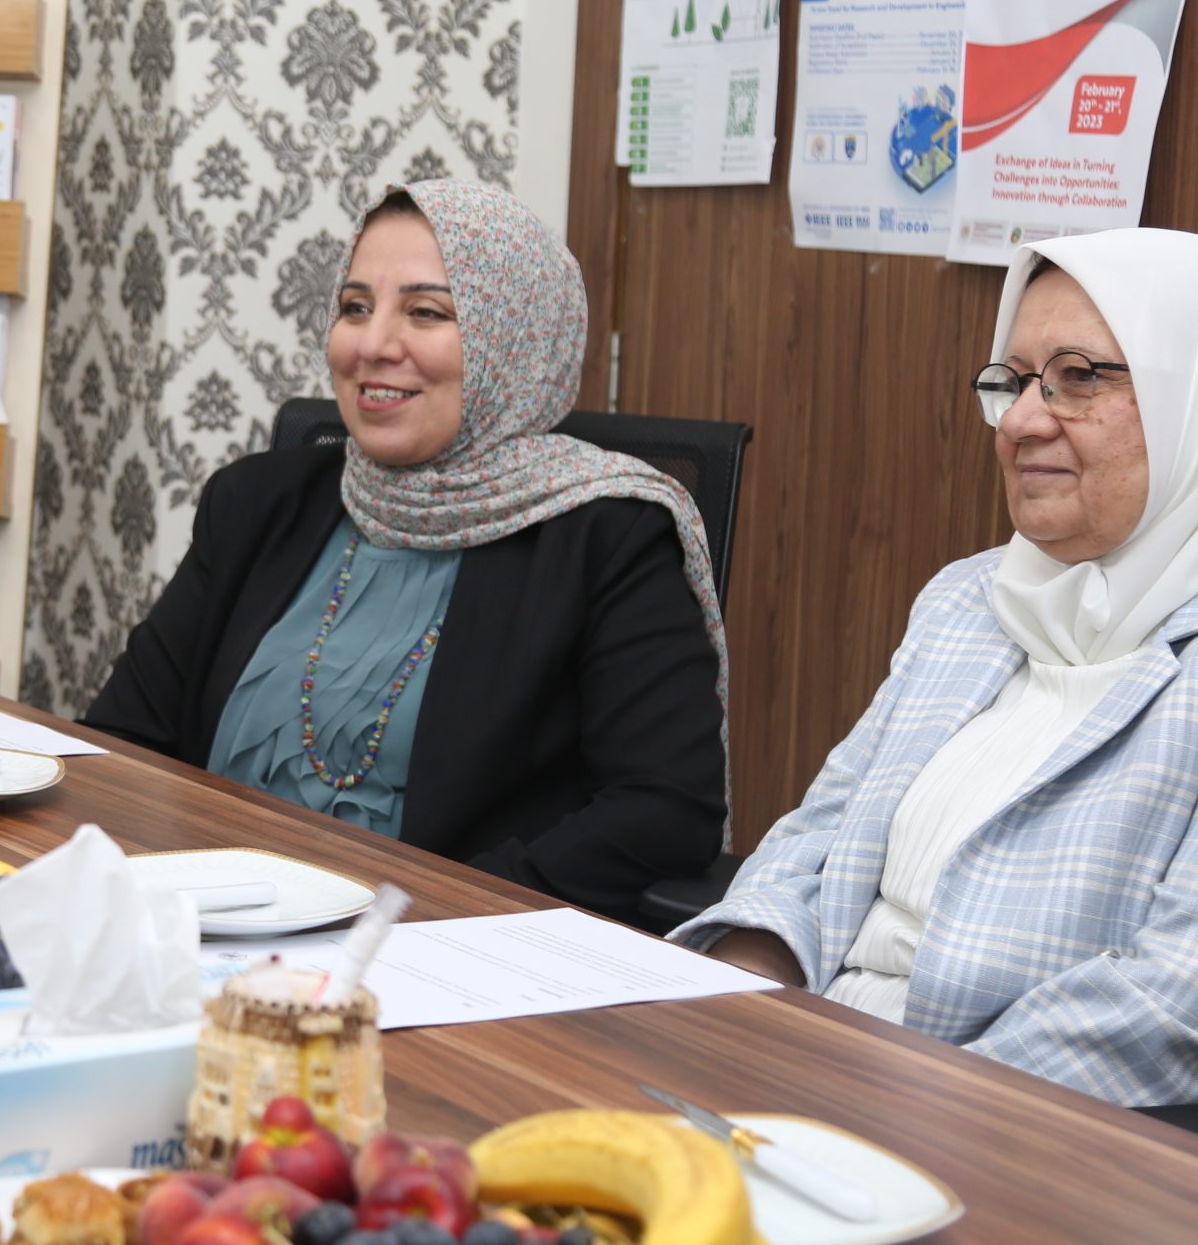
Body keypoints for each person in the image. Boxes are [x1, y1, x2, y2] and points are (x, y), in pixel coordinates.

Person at [675, 228, 1198, 1106]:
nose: (1021, 422)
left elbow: (1182, 1021)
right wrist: (726, 1015)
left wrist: (851, 1098)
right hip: (816, 1070)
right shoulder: (972, 598)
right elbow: (815, 842)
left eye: (1078, 377)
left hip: (1052, 1139)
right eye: (1013, 381)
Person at [84, 180, 730, 921]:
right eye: (355, 306)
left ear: (512, 339)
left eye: (426, 312)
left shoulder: (608, 535)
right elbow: (120, 739)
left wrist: (433, 919)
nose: (372, 344)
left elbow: (664, 810)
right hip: (191, 926)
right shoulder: (255, 503)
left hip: (429, 954)